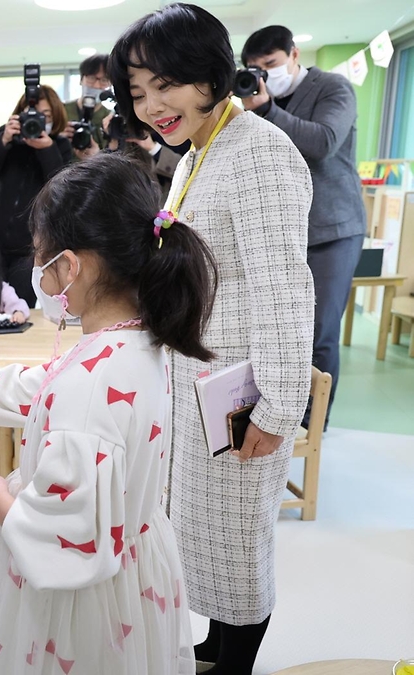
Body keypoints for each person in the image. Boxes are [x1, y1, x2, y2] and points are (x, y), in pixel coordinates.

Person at [0, 153, 216, 674]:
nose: (35, 270)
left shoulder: (91, 382)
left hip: (84, 600)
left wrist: (0, 502)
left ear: (70, 266)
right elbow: (38, 390)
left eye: (39, 255)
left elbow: (71, 536)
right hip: (134, 568)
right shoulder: (134, 343)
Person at [109, 5, 315, 673]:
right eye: (138, 94)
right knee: (206, 533)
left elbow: (284, 288)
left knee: (239, 540)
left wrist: (279, 408)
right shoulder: (203, 148)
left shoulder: (258, 150)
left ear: (208, 72)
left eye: (164, 84)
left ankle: (234, 663)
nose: (152, 107)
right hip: (203, 386)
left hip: (242, 393)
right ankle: (214, 645)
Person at [241, 25, 366, 429]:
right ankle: (279, 414)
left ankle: (312, 427)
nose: (262, 75)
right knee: (279, 330)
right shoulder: (248, 100)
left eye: (270, 65)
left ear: (294, 55)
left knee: (320, 331)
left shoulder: (334, 87)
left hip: (332, 229)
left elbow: (323, 141)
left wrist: (265, 110)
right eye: (253, 69)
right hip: (280, 229)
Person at [0, 84, 72, 308]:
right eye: (34, 114)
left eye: (46, 115)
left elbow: (60, 185)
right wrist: (3, 141)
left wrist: (46, 148)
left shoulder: (59, 144)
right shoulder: (8, 137)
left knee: (20, 306)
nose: (38, 120)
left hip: (30, 247)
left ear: (55, 116)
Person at [61, 54, 112, 158]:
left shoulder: (110, 117)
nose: (97, 85)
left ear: (110, 84)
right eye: (92, 78)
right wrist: (58, 137)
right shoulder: (61, 110)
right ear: (81, 79)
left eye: (104, 80)